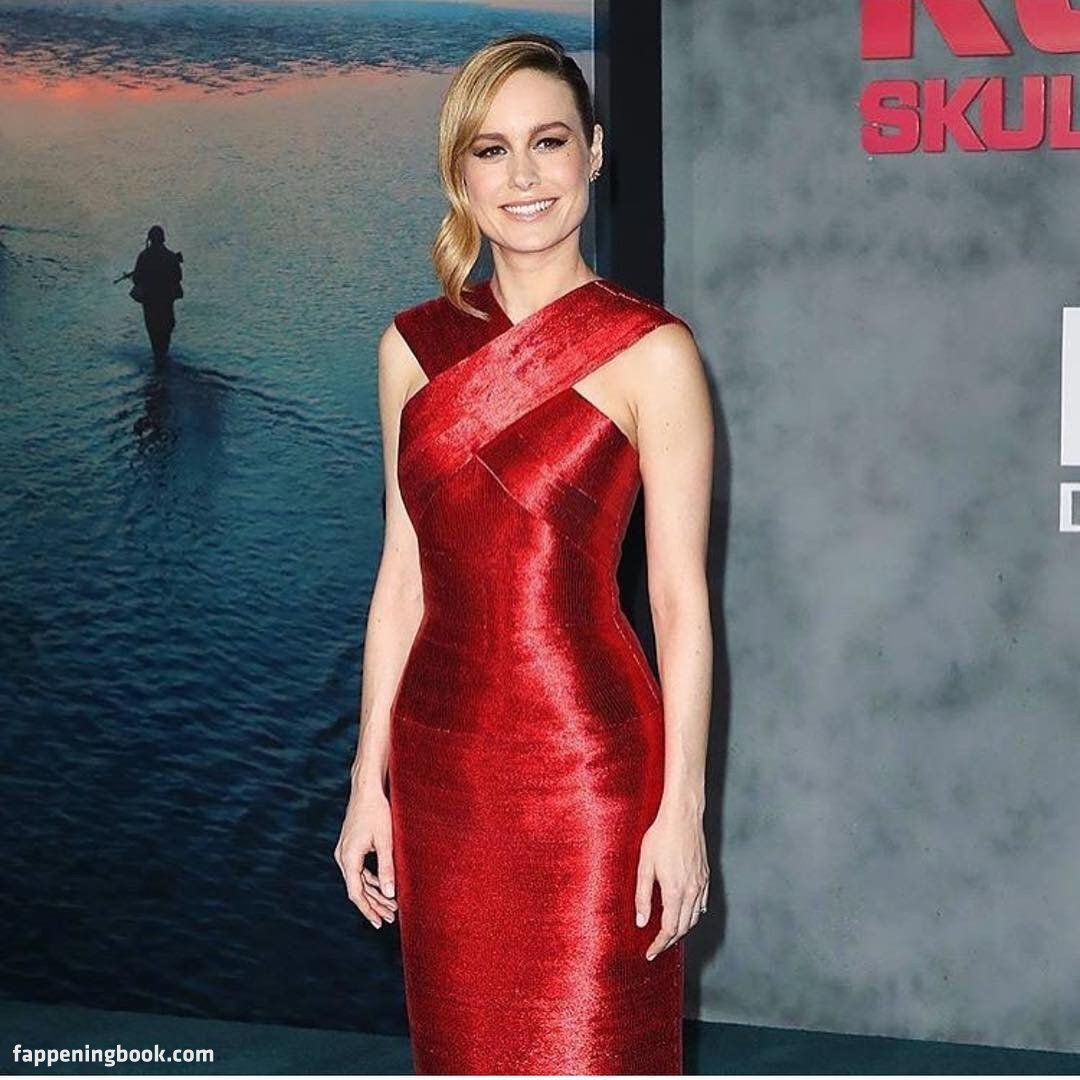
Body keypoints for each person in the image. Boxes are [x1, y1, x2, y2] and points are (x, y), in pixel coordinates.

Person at [334, 32, 714, 1075]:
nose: (524, 176)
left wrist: (680, 809)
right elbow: (401, 581)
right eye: (491, 150)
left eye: (548, 141)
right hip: (443, 771)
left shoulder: (654, 353)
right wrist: (368, 785)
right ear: (459, 174)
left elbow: (679, 602)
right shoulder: (410, 349)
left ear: (595, 151)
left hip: (591, 772)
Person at [130, 225, 183, 359]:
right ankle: (163, 354)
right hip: (166, 300)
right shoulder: (170, 256)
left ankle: (158, 356)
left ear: (150, 239)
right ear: (163, 239)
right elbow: (178, 277)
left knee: (153, 330)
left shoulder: (144, 256)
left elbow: (137, 278)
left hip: (150, 301)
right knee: (166, 328)